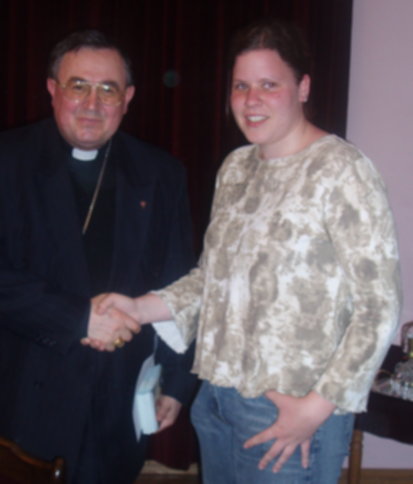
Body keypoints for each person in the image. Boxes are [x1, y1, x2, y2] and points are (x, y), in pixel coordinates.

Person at [92, 19, 402, 484]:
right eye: (241, 86)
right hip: (216, 400)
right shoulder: (236, 168)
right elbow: (212, 280)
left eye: (268, 85)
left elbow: (379, 306)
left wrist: (316, 408)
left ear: (303, 87)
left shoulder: (341, 170)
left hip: (288, 414)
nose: (251, 100)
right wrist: (137, 307)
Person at [0, 30, 197, 484]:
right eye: (78, 86)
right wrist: (77, 318)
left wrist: (176, 381)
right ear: (52, 89)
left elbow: (181, 282)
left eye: (108, 89)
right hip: (22, 394)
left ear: (127, 98)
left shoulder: (161, 174)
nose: (92, 104)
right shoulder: (7, 161)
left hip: (118, 395)